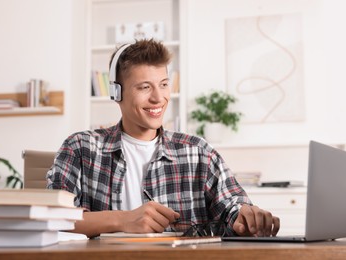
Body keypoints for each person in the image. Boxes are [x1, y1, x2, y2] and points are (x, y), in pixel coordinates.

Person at [47, 39, 280, 238]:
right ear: (116, 93)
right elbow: (53, 217)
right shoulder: (81, 147)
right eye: (145, 87)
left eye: (164, 84)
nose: (159, 98)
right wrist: (122, 220)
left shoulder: (198, 151)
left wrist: (246, 218)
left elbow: (232, 207)